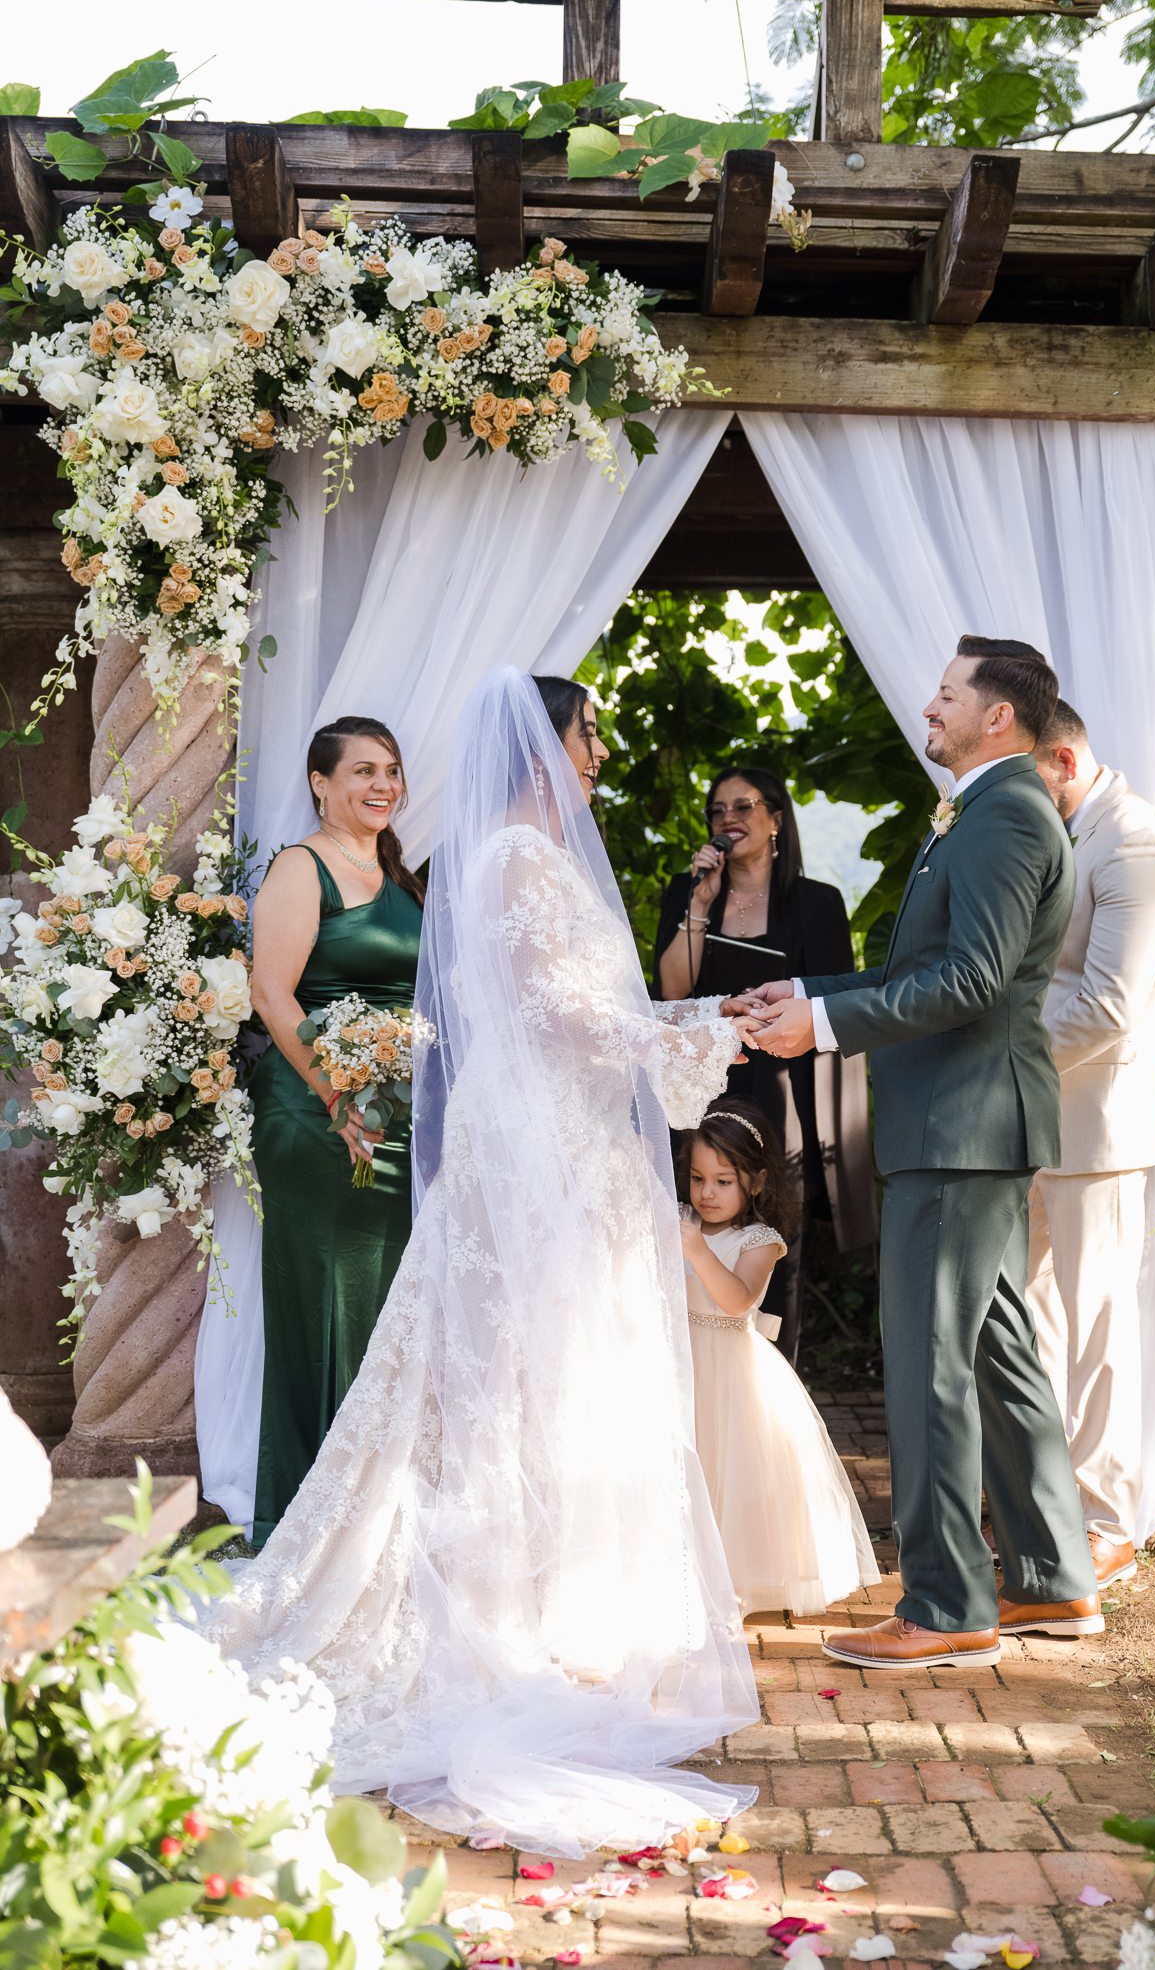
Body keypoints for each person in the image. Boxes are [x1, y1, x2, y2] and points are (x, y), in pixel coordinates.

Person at [202, 667, 758, 1856]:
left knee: (552, 1366)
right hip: (532, 1144)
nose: (598, 755)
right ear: (539, 751)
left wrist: (677, 1025)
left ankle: (569, 1603)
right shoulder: (507, 857)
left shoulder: (513, 859)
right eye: (586, 736)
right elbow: (553, 1010)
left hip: (562, 1139)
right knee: (511, 1368)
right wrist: (689, 1030)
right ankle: (508, 1610)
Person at [738, 637, 1101, 1662]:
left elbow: (973, 980)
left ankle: (946, 1606)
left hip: (960, 1123)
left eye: (948, 694)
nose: (928, 707)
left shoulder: (1005, 814)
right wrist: (808, 998)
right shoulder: (988, 810)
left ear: (999, 717)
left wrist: (821, 1029)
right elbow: (938, 968)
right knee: (998, 1352)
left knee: (931, 1360)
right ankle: (1050, 1581)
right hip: (962, 1120)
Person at [1028, 698, 1155, 1586]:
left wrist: (992, 1042)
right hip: (1029, 1119)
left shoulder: (1137, 841)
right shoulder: (1057, 833)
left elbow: (1109, 1004)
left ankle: (1105, 1522)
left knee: (1098, 1327)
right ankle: (1045, 1509)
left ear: (1061, 760)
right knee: (1034, 1321)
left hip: (1103, 1122)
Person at [247, 717, 425, 1547]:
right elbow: (274, 997)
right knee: (323, 1303)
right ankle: (309, 1517)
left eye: (390, 770)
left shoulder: (397, 873)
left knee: (386, 1303)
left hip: (394, 1113)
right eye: (362, 771)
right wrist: (337, 1098)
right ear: (320, 782)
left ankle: (375, 1508)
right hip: (316, 1117)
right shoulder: (300, 867)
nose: (382, 785)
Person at [655, 767, 878, 1364]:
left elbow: (835, 1008)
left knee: (775, 1235)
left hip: (780, 1092)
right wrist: (699, 903)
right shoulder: (689, 892)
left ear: (776, 819)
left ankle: (773, 1380)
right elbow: (673, 994)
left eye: (744, 806)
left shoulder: (817, 903)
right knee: (694, 1223)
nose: (728, 819)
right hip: (704, 1091)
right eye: (717, 810)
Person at [677, 1101, 880, 1615]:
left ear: (757, 1181)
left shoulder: (759, 1240)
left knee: (734, 1471)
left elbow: (738, 1300)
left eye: (724, 1181)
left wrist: (697, 1251)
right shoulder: (681, 1223)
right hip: (680, 1360)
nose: (706, 1193)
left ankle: (735, 1578)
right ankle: (684, 1570)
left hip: (731, 1369)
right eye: (698, 1178)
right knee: (689, 1467)